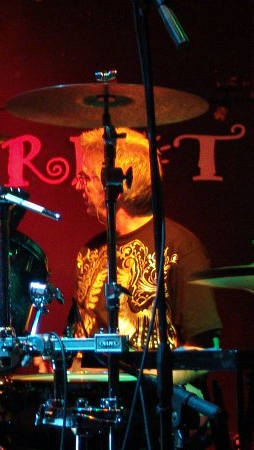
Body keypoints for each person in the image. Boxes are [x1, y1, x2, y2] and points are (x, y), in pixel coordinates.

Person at [68, 127, 223, 448]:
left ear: (118, 184)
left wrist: (143, 382)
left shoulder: (179, 246)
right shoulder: (89, 251)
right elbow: (79, 344)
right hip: (99, 410)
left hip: (155, 411)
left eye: (86, 177)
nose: (77, 185)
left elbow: (204, 349)